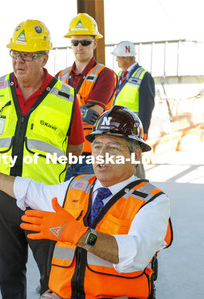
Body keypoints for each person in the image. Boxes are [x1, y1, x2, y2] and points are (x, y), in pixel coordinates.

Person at [0, 106, 172, 299]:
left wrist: (81, 235)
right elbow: (30, 190)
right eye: (97, 146)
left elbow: (136, 254)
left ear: (134, 156)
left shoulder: (152, 201)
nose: (101, 155)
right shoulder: (75, 186)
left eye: (113, 148)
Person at [0, 19, 84, 299]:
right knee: (8, 275)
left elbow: (75, 148)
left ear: (44, 59)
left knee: (52, 279)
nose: (19, 61)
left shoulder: (65, 97)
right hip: (2, 198)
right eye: (15, 54)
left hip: (44, 200)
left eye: (27, 56)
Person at [57, 13, 117, 180]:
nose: (79, 47)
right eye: (75, 42)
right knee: (61, 204)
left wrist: (58, 117)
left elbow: (91, 115)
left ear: (95, 43)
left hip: (91, 156)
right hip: (63, 155)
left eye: (85, 42)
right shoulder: (60, 76)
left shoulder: (105, 75)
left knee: (90, 204)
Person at [111, 41, 156, 179]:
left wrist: (144, 131)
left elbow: (147, 106)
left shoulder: (144, 76)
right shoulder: (120, 75)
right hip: (117, 127)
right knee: (121, 160)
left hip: (133, 129)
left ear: (127, 58)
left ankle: (142, 190)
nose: (116, 59)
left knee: (135, 162)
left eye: (118, 56)